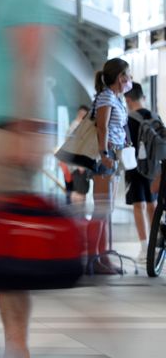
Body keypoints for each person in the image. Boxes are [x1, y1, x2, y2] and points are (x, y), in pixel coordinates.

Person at [0, 0, 59, 356]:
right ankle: (15, 344)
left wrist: (26, 131)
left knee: (9, 247)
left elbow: (31, 60)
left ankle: (17, 347)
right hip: (7, 127)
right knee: (6, 245)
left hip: (11, 130)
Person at [89, 58, 132, 275]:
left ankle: (104, 256)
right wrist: (104, 153)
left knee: (108, 209)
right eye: (126, 75)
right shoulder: (106, 96)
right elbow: (102, 127)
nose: (129, 79)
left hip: (115, 155)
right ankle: (94, 258)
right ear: (118, 76)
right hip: (104, 157)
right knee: (101, 209)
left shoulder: (118, 98)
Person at [124, 82, 158, 263]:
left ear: (128, 99)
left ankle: (144, 249)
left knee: (139, 206)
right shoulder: (155, 116)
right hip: (155, 169)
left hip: (136, 168)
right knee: (153, 207)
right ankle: (155, 247)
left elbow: (126, 146)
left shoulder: (129, 119)